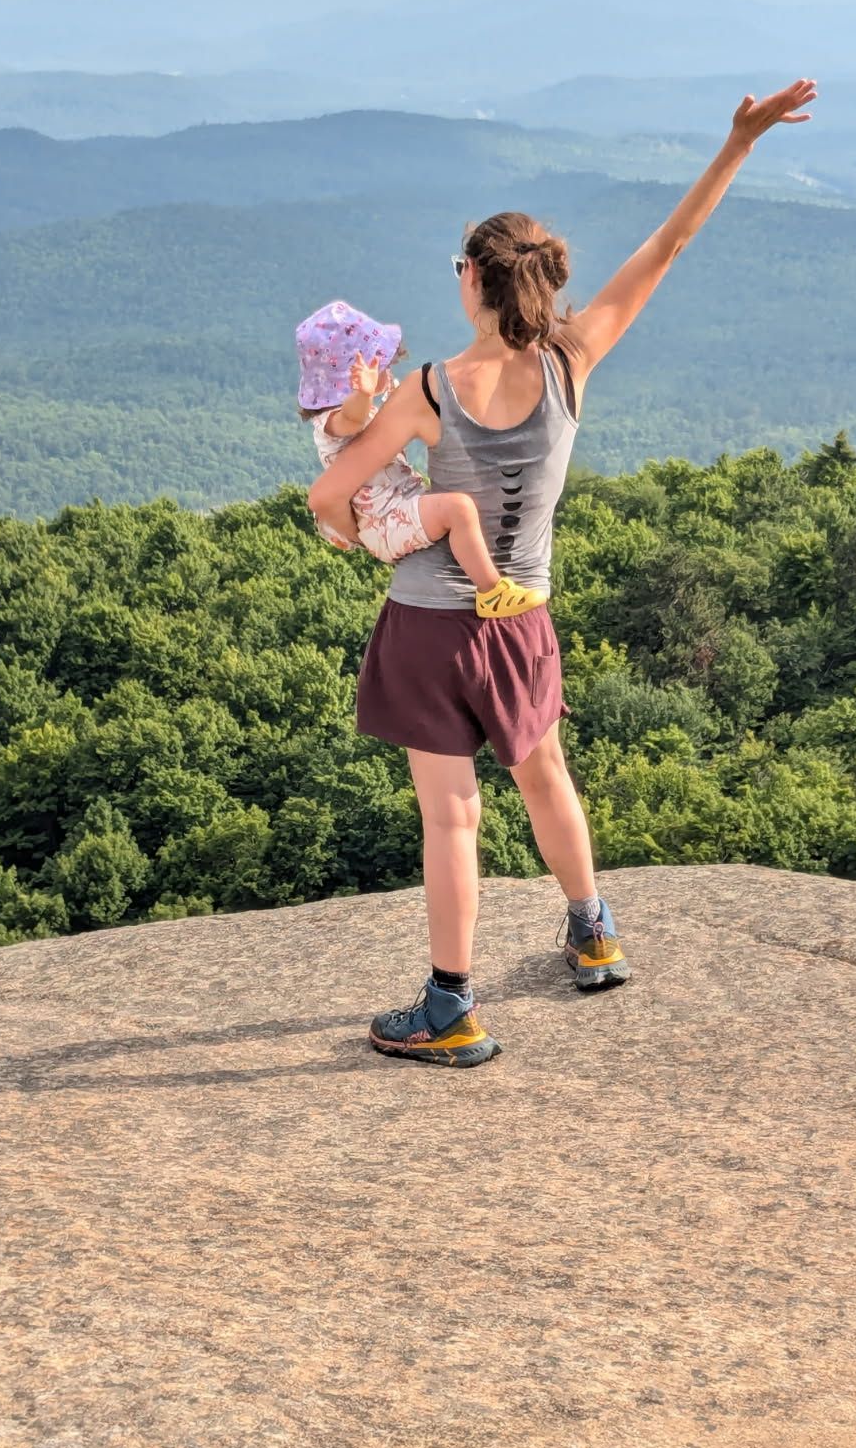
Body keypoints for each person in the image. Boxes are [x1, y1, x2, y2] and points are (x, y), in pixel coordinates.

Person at [308, 79, 817, 1068]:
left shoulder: (423, 394)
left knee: (452, 811)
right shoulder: (572, 363)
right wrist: (737, 145)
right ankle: (592, 931)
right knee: (543, 771)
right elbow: (664, 251)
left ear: (474, 283)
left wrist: (353, 534)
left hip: (427, 627)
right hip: (522, 620)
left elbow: (332, 494)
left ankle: (451, 1005)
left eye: (460, 264)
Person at [297, 300, 549, 617]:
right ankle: (491, 592)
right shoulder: (332, 422)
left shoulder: (353, 412)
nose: (385, 371)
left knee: (461, 505)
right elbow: (352, 418)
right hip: (384, 518)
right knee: (458, 509)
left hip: (393, 507)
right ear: (348, 377)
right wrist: (362, 394)